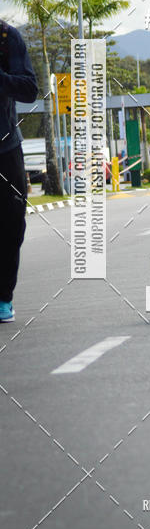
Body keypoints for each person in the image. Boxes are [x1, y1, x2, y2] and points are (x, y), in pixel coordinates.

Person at [0, 19, 38, 323]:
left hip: (5, 149)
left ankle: (3, 298)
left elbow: (29, 89)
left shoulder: (6, 37)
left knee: (12, 226)